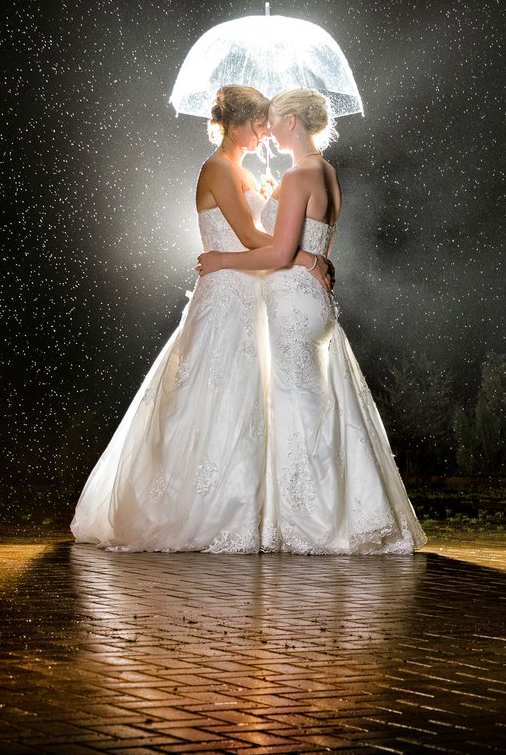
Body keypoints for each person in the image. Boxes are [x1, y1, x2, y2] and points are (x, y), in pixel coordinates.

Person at [71, 86, 331, 553]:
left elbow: (267, 234)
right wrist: (307, 255)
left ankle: (246, 507)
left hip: (249, 294)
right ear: (234, 124)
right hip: (226, 294)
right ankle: (203, 510)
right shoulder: (216, 169)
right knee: (213, 396)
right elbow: (253, 236)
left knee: (244, 401)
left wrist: (278, 210)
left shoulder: (240, 171)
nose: (262, 134)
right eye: (256, 124)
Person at [197, 88, 427, 554]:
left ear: (293, 123)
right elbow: (306, 237)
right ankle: (339, 509)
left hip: (293, 301)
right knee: (315, 405)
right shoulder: (326, 171)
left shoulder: (299, 174)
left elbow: (281, 251)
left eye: (274, 119)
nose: (267, 128)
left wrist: (221, 259)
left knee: (299, 410)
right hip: (313, 304)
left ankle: (318, 520)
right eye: (260, 120)